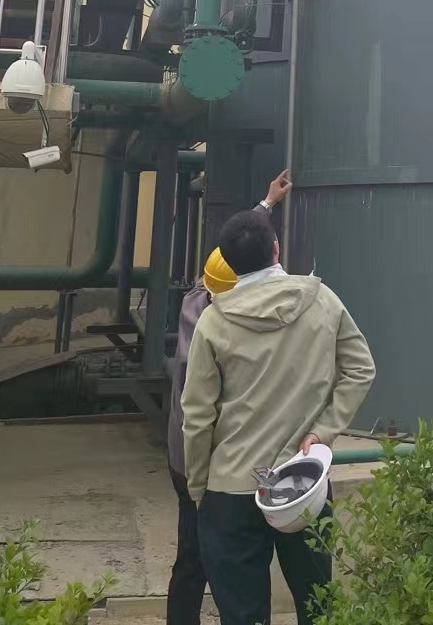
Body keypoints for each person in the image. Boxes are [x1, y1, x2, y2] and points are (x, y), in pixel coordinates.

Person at [182, 207, 375, 625]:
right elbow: (361, 369)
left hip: (231, 487)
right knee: (318, 607)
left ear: (228, 263)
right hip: (302, 481)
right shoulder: (322, 300)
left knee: (243, 614)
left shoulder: (213, 322)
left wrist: (199, 487)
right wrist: (323, 431)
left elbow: (196, 416)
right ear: (276, 248)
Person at [165, 169, 292, 625]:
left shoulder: (197, 299)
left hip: (185, 457)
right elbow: (201, 415)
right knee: (206, 556)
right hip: (201, 461)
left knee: (194, 557)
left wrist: (266, 205)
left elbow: (231, 255)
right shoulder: (217, 331)